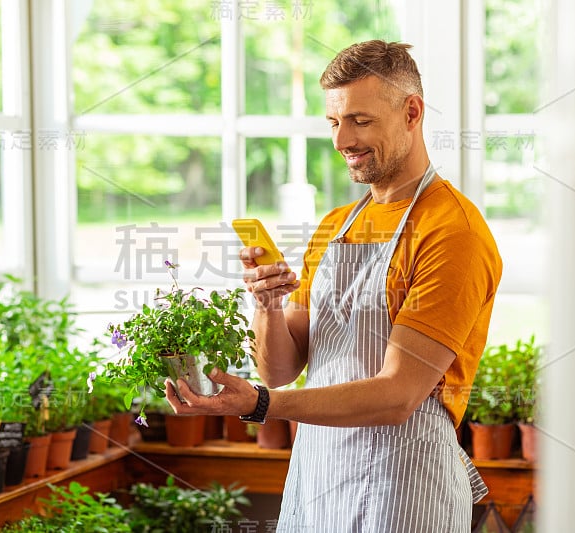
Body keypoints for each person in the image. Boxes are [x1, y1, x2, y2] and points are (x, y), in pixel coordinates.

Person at [165, 40, 502, 532]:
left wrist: (260, 404)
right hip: (319, 477)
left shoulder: (452, 232)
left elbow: (398, 395)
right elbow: (280, 367)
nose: (343, 140)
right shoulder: (335, 226)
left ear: (412, 112)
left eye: (360, 121)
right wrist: (269, 305)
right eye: (333, 122)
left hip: (404, 489)